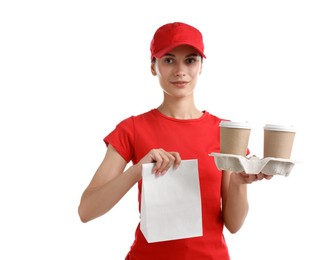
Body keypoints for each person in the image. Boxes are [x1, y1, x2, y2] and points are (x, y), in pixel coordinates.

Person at [78, 21, 272, 260]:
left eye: (190, 60)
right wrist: (137, 171)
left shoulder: (226, 132)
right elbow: (86, 210)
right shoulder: (132, 129)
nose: (180, 70)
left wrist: (239, 184)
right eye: (169, 60)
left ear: (201, 66)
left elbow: (233, 224)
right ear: (153, 67)